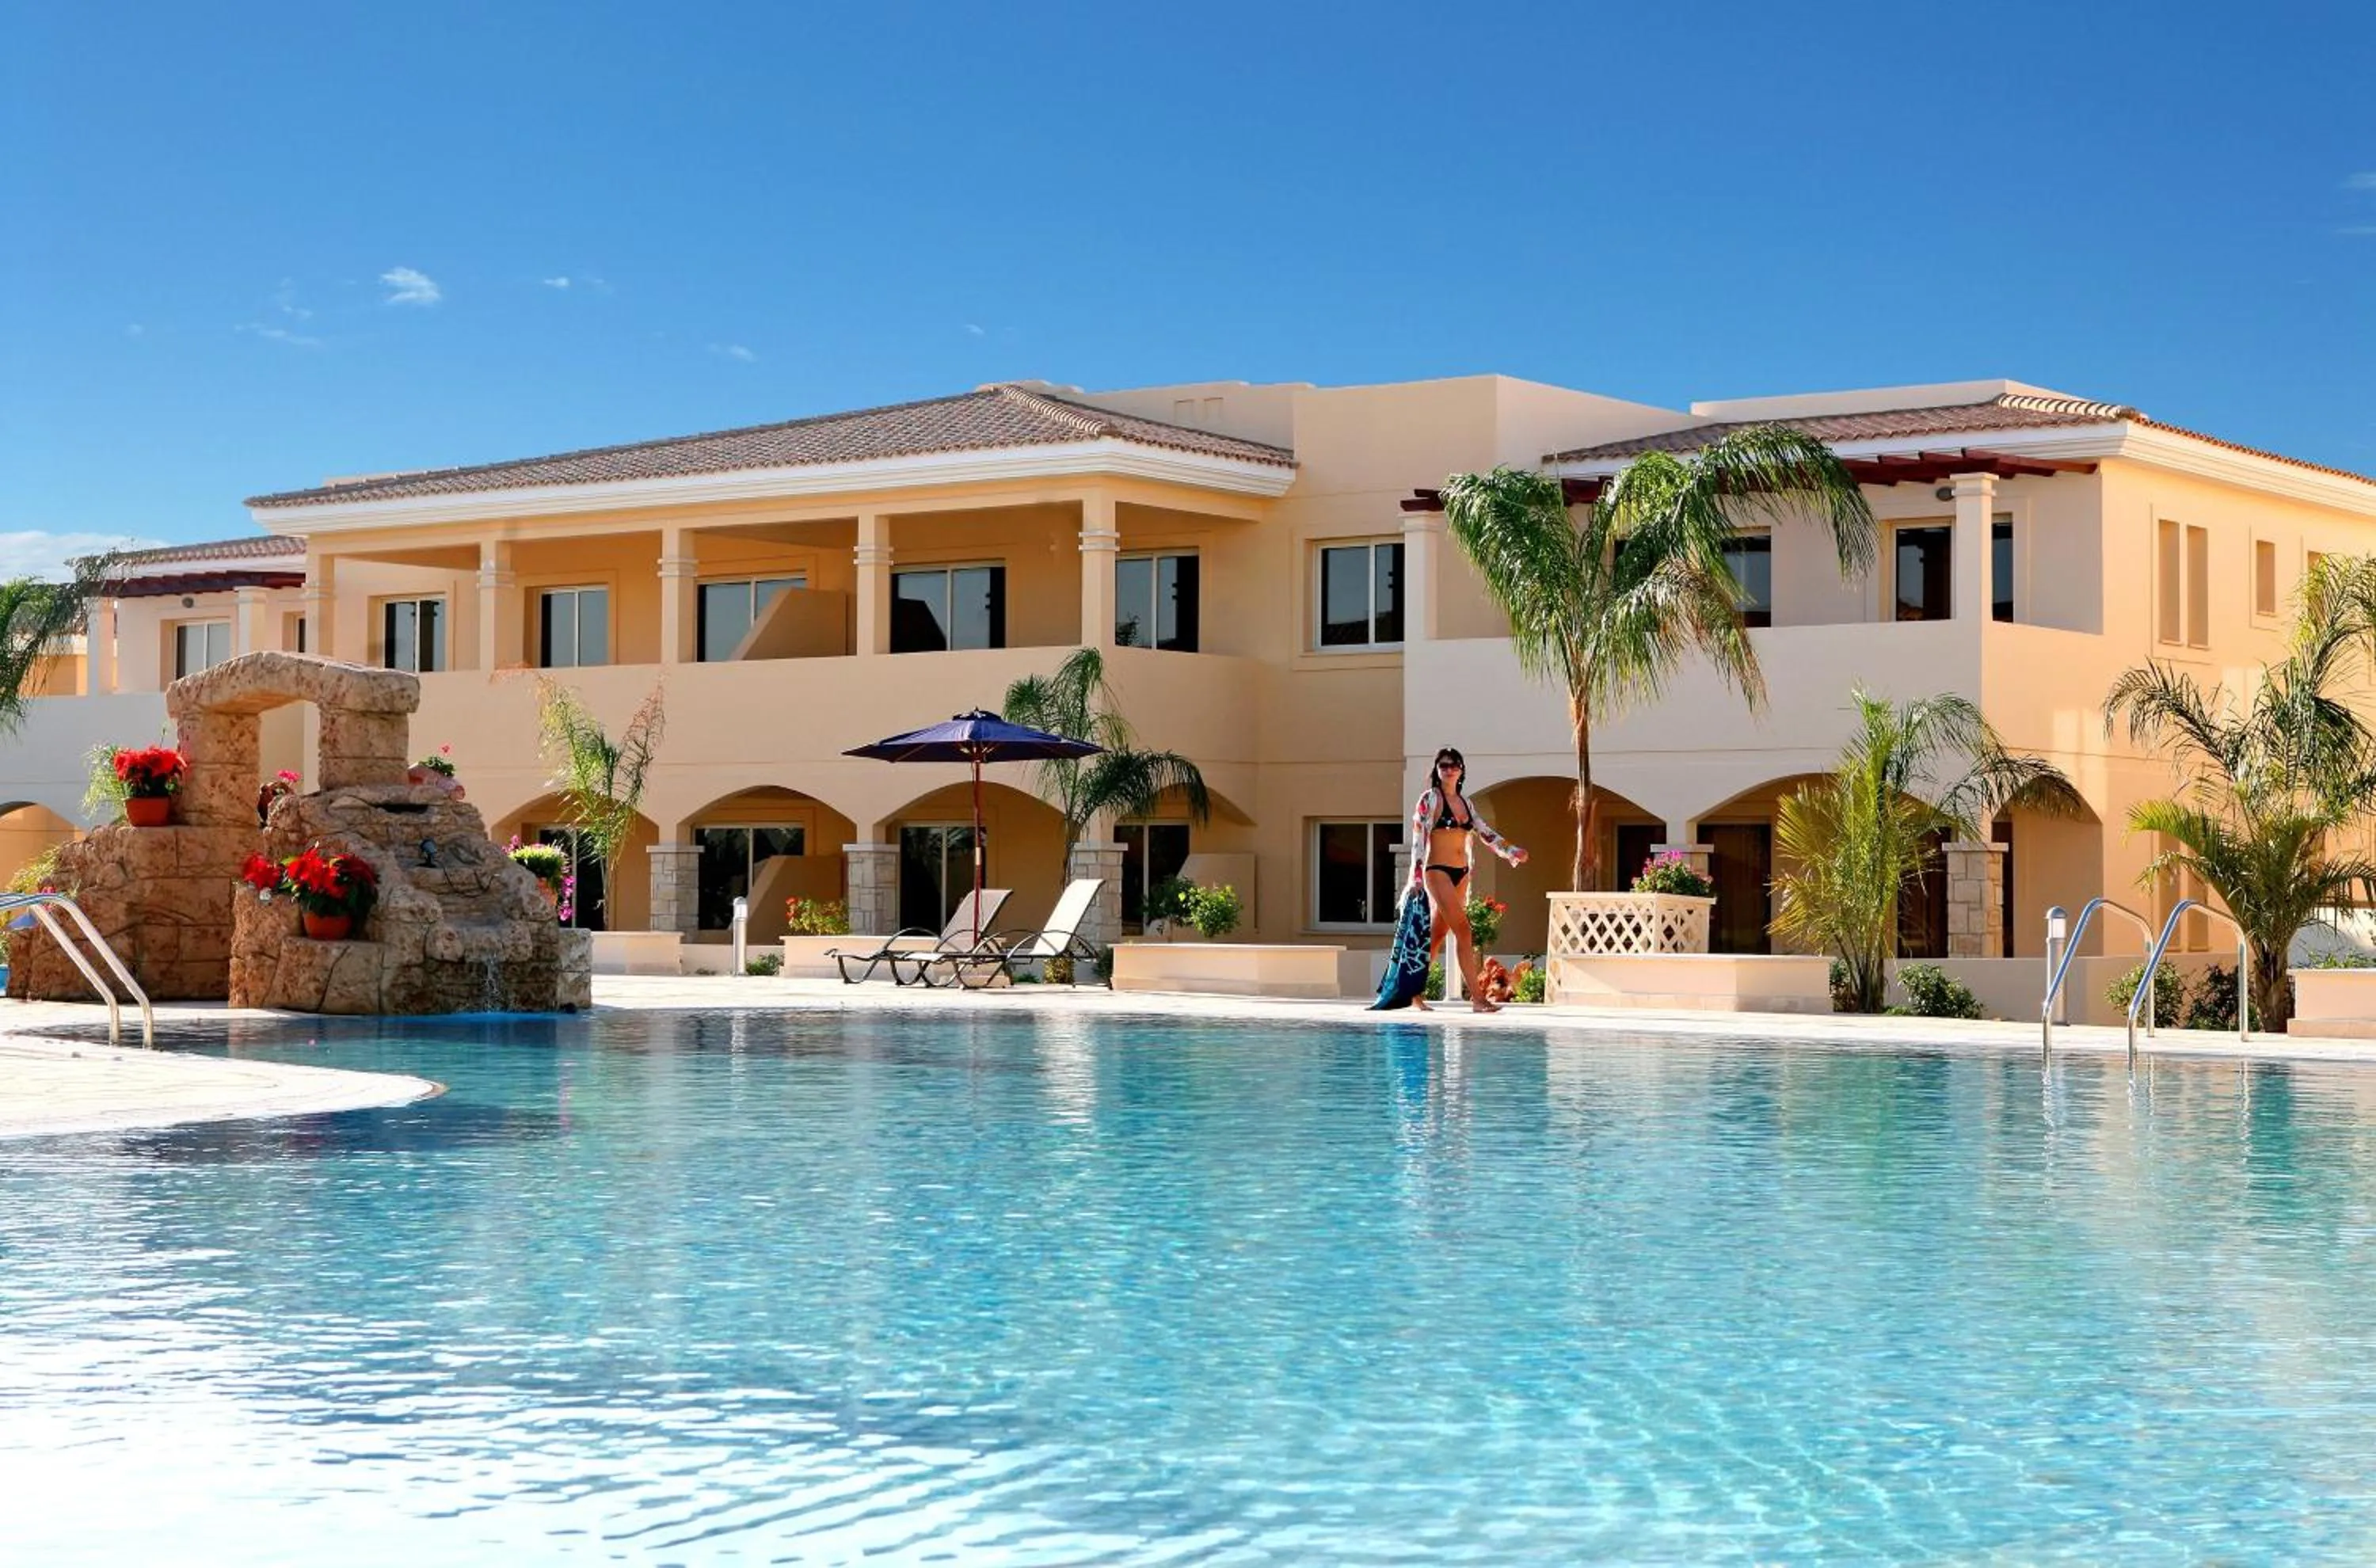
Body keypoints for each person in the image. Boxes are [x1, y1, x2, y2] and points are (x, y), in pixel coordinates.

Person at [1370, 747, 1528, 1012]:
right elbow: (1419, 839)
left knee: (1437, 935)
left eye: (1454, 765)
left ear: (1461, 769)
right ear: (1437, 769)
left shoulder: (1467, 803)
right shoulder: (1429, 799)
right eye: (1444, 765)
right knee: (1463, 931)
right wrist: (1417, 876)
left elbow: (1485, 832)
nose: (1449, 769)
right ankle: (1478, 999)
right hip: (1437, 870)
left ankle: (1415, 993)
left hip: (1461, 873)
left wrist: (1512, 851)